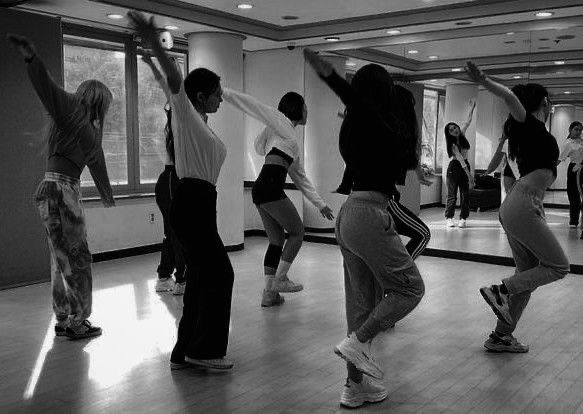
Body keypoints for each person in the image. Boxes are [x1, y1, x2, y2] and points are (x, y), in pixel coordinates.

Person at [305, 49, 425, 408]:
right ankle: (357, 344)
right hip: (370, 216)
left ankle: (353, 387)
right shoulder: (377, 122)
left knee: (360, 304)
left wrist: (332, 79)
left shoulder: (357, 127)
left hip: (350, 215)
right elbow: (368, 108)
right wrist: (333, 80)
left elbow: (362, 107)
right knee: (411, 289)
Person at [128, 11, 234, 371]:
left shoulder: (196, 122)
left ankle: (185, 351)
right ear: (201, 97)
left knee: (205, 276)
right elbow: (175, 82)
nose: (222, 99)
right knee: (219, 274)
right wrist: (156, 45)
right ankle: (203, 351)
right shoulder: (186, 114)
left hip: (200, 202)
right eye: (217, 94)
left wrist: (152, 63)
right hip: (192, 201)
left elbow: (167, 84)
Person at [7, 33, 115, 339]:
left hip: (50, 191)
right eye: (105, 105)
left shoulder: (83, 129)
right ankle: (78, 319)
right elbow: (48, 89)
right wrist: (32, 59)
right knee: (78, 256)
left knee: (60, 257)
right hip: (62, 193)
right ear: (97, 102)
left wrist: (107, 194)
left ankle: (65, 316)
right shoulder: (72, 114)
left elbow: (97, 163)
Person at [466, 61, 570, 353]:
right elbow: (510, 98)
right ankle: (500, 290)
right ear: (544, 102)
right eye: (548, 100)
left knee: (528, 274)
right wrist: (485, 80)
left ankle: (500, 336)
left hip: (522, 203)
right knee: (559, 266)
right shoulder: (528, 123)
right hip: (521, 203)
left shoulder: (530, 131)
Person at [221, 88, 334, 307]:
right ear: (296, 109)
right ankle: (280, 279)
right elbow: (254, 106)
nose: (307, 110)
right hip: (271, 187)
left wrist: (320, 205)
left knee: (276, 241)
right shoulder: (281, 122)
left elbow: (300, 178)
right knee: (298, 232)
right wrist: (224, 92)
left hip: (261, 188)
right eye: (305, 107)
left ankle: (269, 294)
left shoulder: (288, 137)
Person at [142, 54, 187, 295]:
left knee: (173, 232)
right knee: (177, 233)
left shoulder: (187, 119)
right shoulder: (180, 117)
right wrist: (162, 66)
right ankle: (180, 279)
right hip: (173, 181)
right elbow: (171, 88)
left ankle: (164, 276)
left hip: (176, 181)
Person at [444, 100, 476, 228]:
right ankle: (449, 218)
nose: (455, 130)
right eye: (451, 130)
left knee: (465, 194)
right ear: (449, 133)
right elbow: (461, 160)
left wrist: (471, 108)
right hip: (455, 167)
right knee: (452, 195)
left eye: (455, 127)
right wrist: (470, 175)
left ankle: (463, 218)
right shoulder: (452, 145)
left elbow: (467, 121)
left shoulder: (462, 133)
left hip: (465, 165)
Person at [557, 121, 583, 228]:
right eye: (576, 129)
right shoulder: (568, 143)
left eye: (580, 130)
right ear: (570, 130)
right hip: (574, 169)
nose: (578, 132)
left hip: (582, 167)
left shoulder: (582, 141)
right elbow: (560, 158)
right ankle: (574, 221)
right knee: (574, 196)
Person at [484, 127, 519, 202]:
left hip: (523, 172)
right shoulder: (506, 142)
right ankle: (508, 212)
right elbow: (497, 156)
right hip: (509, 171)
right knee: (509, 196)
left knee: (520, 196)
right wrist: (489, 170)